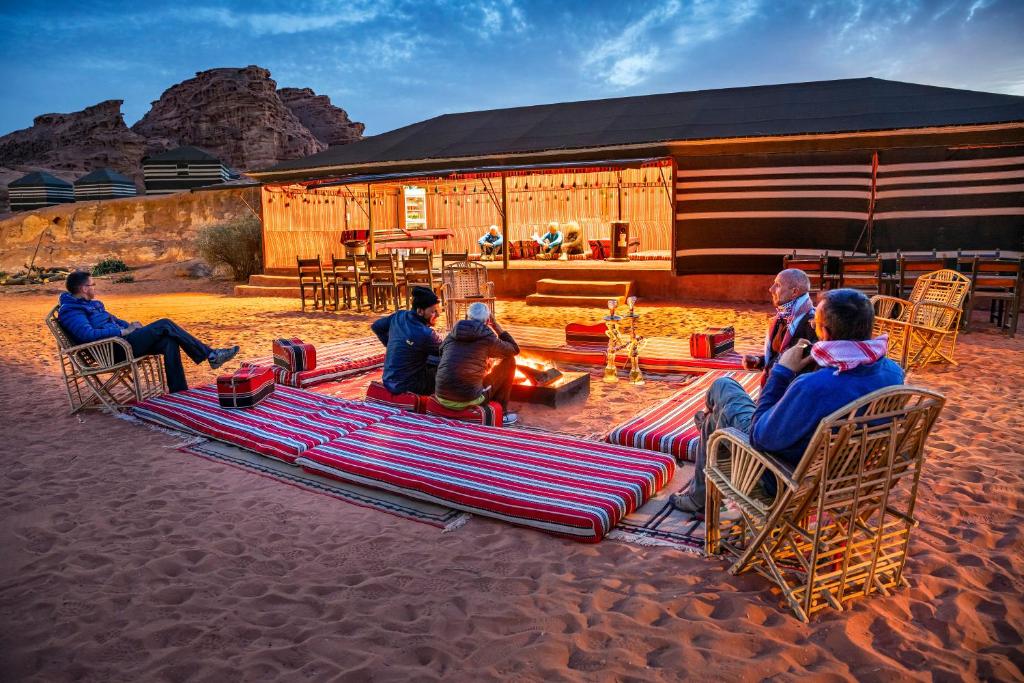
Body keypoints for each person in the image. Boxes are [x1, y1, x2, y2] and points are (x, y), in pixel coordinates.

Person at [670, 288, 904, 514]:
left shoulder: (814, 386)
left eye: (815, 325)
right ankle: (709, 428)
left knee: (723, 387)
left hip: (782, 477)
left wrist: (782, 371)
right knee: (715, 417)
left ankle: (709, 429)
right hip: (845, 476)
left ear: (827, 334)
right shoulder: (893, 372)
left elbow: (759, 437)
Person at [58, 270, 239, 393]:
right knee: (165, 324)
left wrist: (132, 327)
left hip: (123, 341)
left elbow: (113, 319)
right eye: (92, 284)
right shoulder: (71, 311)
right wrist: (123, 331)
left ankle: (179, 391)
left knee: (169, 340)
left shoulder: (92, 304)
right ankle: (211, 355)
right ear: (84, 288)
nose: (94, 287)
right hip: (111, 350)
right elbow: (87, 335)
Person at [434, 302, 520, 426]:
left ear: (466, 317)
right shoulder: (487, 336)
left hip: (441, 396)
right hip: (468, 399)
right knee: (510, 361)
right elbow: (514, 350)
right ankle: (502, 413)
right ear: (487, 321)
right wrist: (496, 326)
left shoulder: (453, 333)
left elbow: (441, 352)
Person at [742, 268, 817, 383]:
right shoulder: (782, 318)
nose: (771, 289)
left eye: (778, 285)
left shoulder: (811, 325)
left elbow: (802, 367)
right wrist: (759, 361)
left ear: (794, 292)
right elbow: (780, 356)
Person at [371, 285, 443, 395]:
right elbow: (448, 352)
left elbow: (376, 326)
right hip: (410, 386)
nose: (437, 315)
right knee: (449, 365)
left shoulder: (399, 316)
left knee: (430, 357)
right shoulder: (426, 334)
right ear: (420, 311)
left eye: (438, 311)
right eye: (433, 311)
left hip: (389, 381)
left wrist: (390, 344)